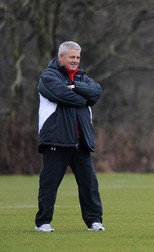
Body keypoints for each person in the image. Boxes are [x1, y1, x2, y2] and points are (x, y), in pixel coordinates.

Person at [35, 41, 105, 232]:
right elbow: (60, 94)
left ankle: (94, 221)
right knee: (49, 184)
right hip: (56, 139)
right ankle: (43, 222)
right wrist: (83, 96)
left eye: (77, 57)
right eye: (72, 57)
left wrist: (74, 87)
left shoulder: (82, 76)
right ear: (61, 57)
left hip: (80, 141)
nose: (75, 61)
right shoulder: (48, 76)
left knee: (89, 184)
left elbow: (97, 92)